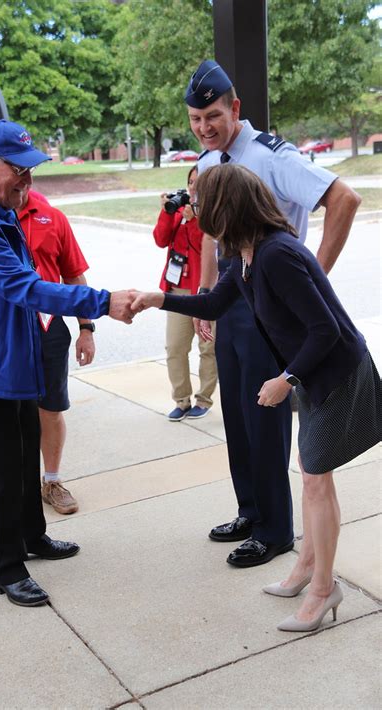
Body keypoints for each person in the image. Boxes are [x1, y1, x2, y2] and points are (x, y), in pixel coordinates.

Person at [130, 162, 381, 632]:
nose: (196, 209)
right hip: (313, 374)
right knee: (311, 476)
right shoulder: (243, 255)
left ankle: (325, 589)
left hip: (339, 374)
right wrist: (155, 298)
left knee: (315, 482)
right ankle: (308, 568)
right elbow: (212, 305)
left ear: (228, 206)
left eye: (203, 202)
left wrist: (285, 378)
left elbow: (325, 329)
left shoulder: (276, 255)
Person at [0, 119, 134, 607]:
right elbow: (22, 287)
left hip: (12, 354)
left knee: (25, 452)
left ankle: (32, 536)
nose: (27, 182)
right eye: (19, 171)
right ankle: (5, 567)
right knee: (3, 467)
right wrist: (101, 303)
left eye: (31, 171)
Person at [184, 59, 361, 568]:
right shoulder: (212, 161)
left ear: (235, 108)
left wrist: (311, 281)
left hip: (270, 304)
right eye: (196, 119)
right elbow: (210, 232)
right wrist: (204, 291)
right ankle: (251, 511)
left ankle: (276, 532)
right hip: (233, 299)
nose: (205, 127)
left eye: (213, 116)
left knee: (264, 418)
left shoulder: (271, 155)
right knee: (238, 416)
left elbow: (343, 199)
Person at [17, 187, 95, 514]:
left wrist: (86, 329)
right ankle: (16, 488)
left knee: (51, 407)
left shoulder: (52, 216)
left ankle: (51, 480)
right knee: (11, 414)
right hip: (4, 328)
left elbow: (75, 275)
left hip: (49, 324)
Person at [153, 166, 217, 421]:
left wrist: (194, 221)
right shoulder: (180, 209)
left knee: (207, 347)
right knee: (175, 347)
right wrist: (167, 212)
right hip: (178, 289)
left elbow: (205, 248)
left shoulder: (213, 215)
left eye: (199, 183)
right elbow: (160, 239)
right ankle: (181, 399)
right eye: (191, 182)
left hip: (205, 289)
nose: (193, 187)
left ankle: (204, 399)